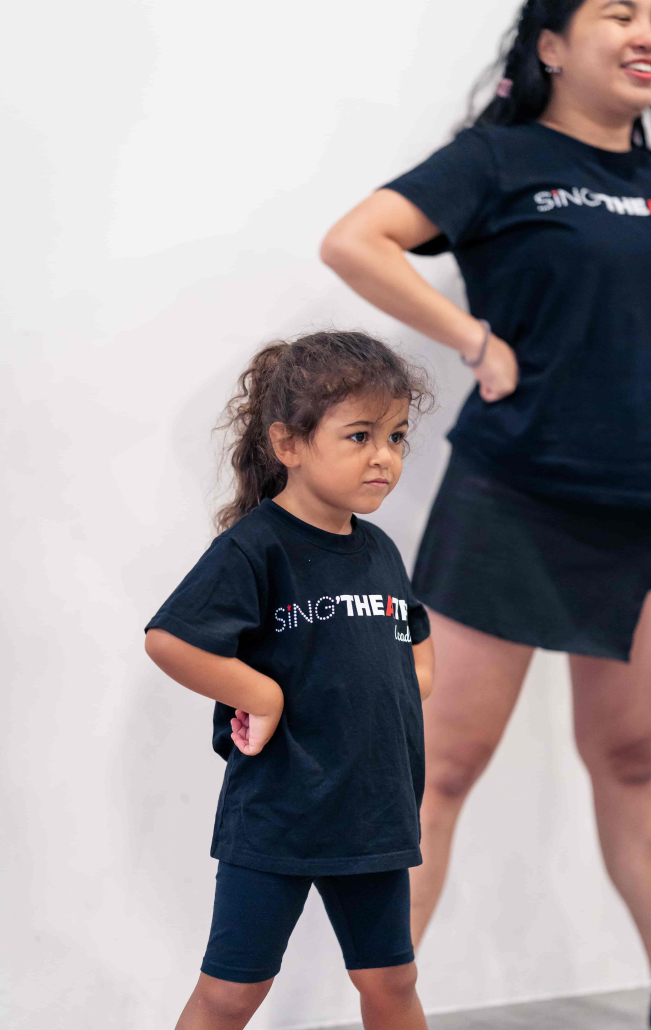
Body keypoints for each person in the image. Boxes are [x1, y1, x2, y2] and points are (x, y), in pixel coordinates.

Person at [320, 1, 651, 1027]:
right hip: (515, 495)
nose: (649, 31)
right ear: (552, 46)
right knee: (439, 767)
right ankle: (386, 1008)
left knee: (630, 757)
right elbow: (356, 241)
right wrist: (473, 340)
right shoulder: (498, 160)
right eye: (619, 11)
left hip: (650, 502)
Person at [144, 331, 435, 1030]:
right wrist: (261, 694)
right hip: (279, 814)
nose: (384, 456)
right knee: (231, 992)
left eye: (396, 436)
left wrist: (403, 688)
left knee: (391, 979)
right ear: (288, 443)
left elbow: (415, 644)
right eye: (360, 435)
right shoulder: (253, 548)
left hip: (372, 815)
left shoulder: (379, 550)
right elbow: (169, 640)